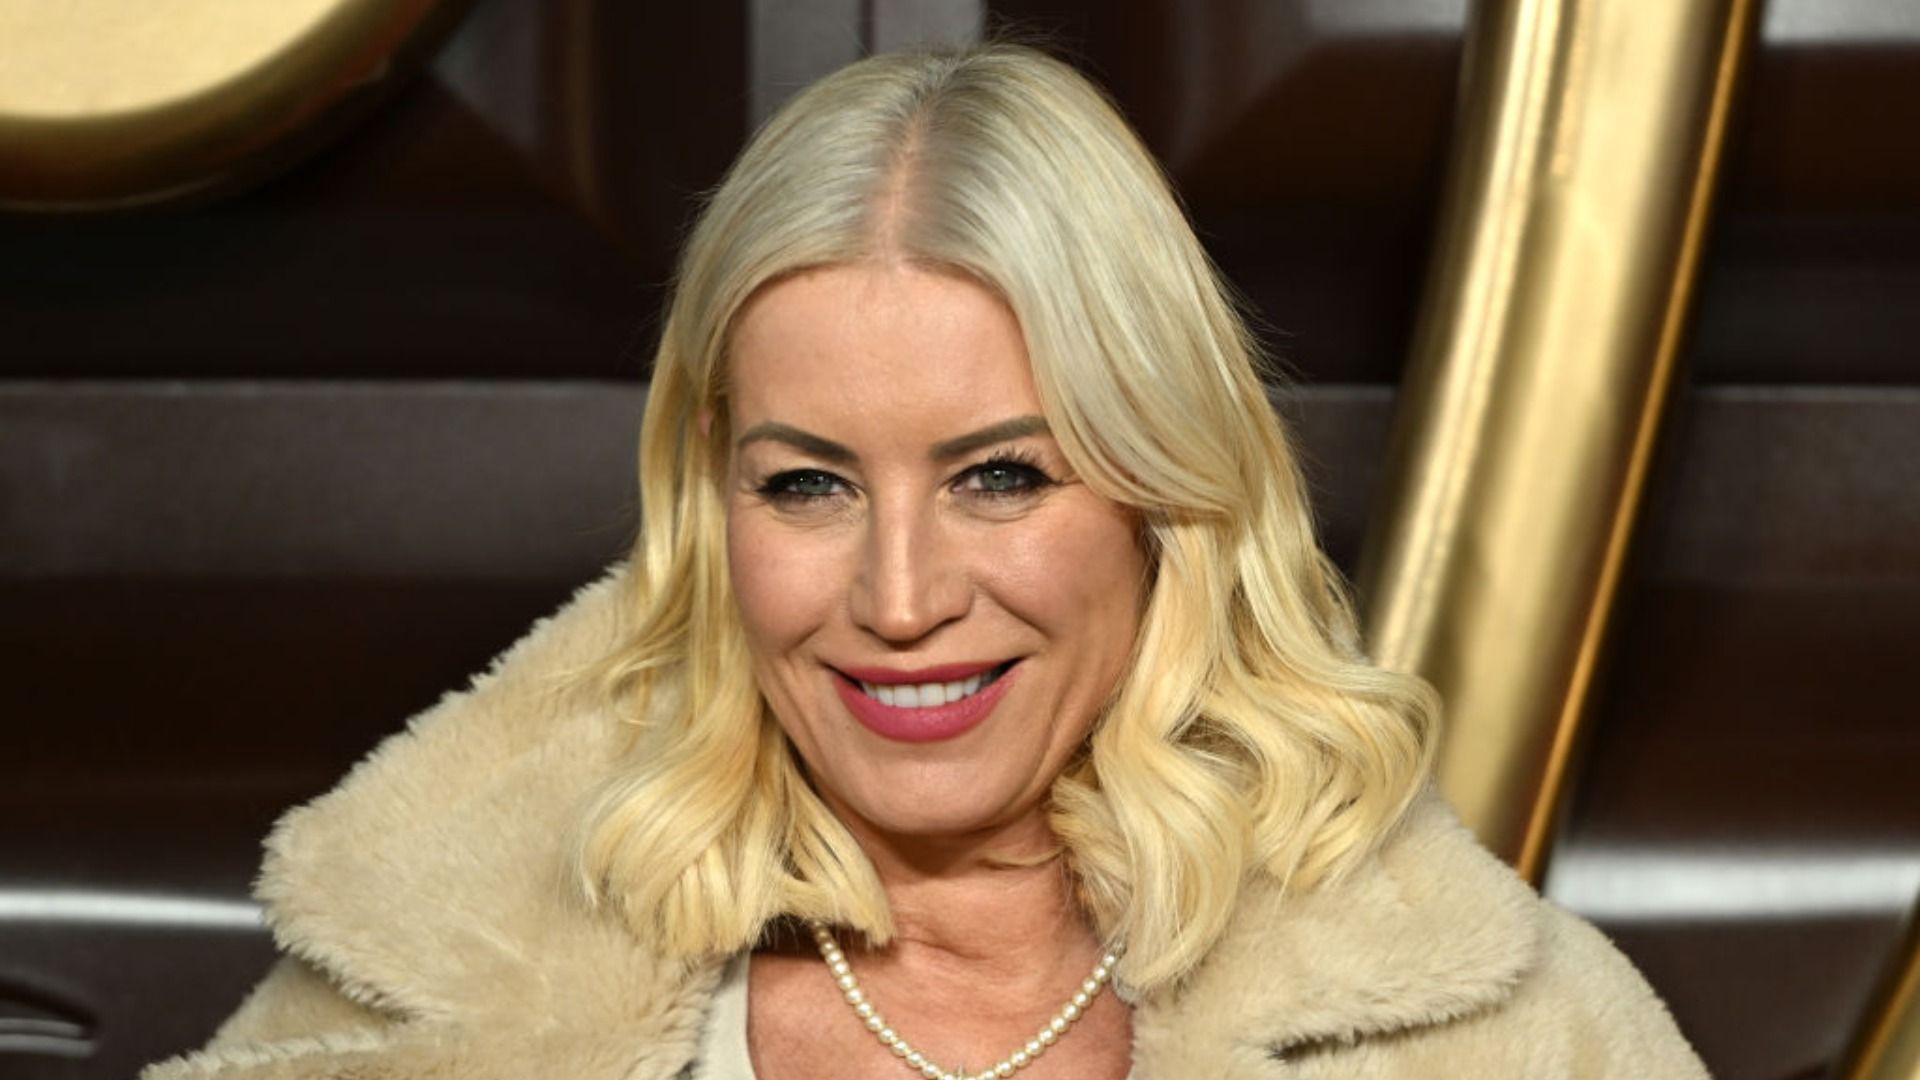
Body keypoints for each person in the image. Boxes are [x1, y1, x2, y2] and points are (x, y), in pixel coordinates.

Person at [145, 44, 1707, 1080]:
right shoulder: (432, 986)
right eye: (810, 485)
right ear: (712, 506)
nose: (901, 601)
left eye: (1000, 476)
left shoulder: (1505, 1039)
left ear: (1165, 494)